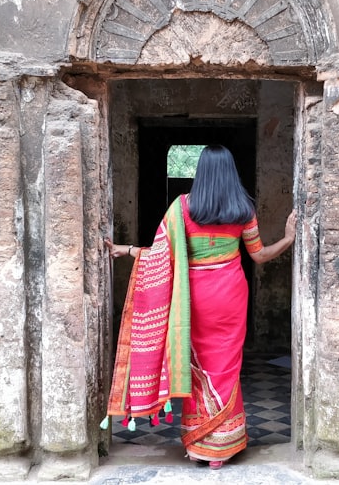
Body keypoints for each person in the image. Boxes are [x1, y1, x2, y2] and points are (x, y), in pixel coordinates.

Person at [104, 144, 295, 469]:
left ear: (201, 172)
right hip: (231, 297)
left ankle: (198, 447)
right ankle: (222, 448)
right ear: (230, 172)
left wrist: (127, 250)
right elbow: (259, 256)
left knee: (199, 369)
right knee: (226, 368)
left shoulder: (182, 208)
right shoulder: (243, 210)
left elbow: (161, 255)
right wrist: (288, 238)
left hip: (196, 300)